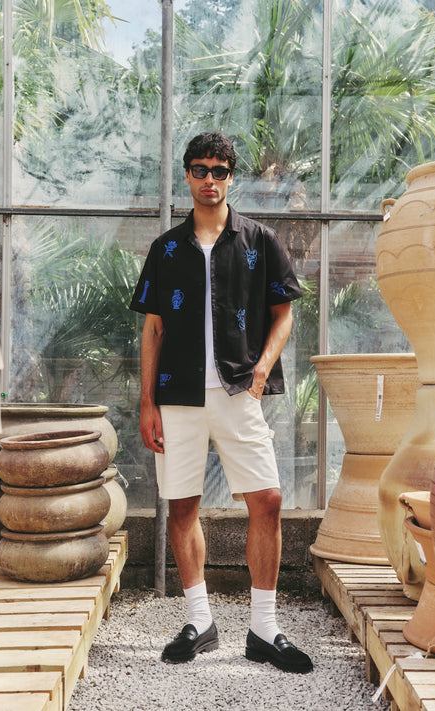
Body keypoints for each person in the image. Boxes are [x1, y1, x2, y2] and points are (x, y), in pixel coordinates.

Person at [129, 131, 313, 674]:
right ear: (187, 175)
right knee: (182, 505)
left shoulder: (260, 241)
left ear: (231, 177)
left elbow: (283, 315)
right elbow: (153, 330)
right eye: (200, 169)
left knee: (268, 499)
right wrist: (146, 402)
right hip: (177, 396)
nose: (210, 179)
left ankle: (264, 629)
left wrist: (262, 370)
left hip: (238, 390)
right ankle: (199, 621)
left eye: (220, 170)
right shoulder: (166, 249)